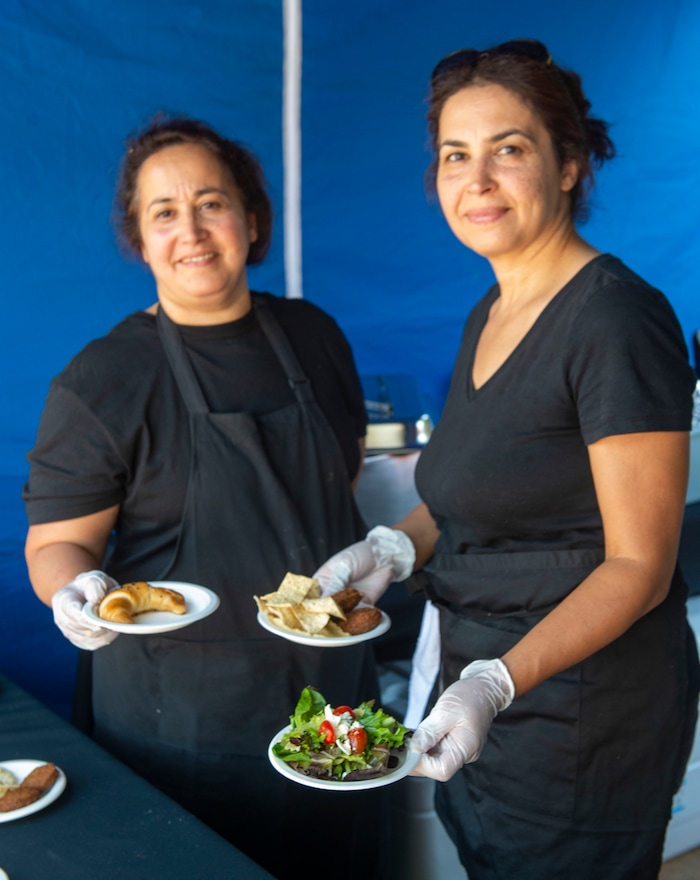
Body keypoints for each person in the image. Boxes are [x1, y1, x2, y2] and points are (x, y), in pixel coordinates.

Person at [313, 39, 700, 879]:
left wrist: (495, 681)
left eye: (509, 149)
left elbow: (641, 564)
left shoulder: (616, 321)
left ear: (568, 165)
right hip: (487, 688)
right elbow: (471, 495)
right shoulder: (492, 307)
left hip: (581, 719)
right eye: (456, 154)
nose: (476, 179)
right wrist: (394, 546)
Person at [23, 115, 388, 880]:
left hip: (331, 700)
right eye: (164, 212)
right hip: (182, 718)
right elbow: (57, 544)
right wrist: (75, 591)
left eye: (211, 202)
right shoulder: (104, 380)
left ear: (251, 219)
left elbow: (340, 471)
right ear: (141, 238)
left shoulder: (314, 334)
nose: (190, 230)